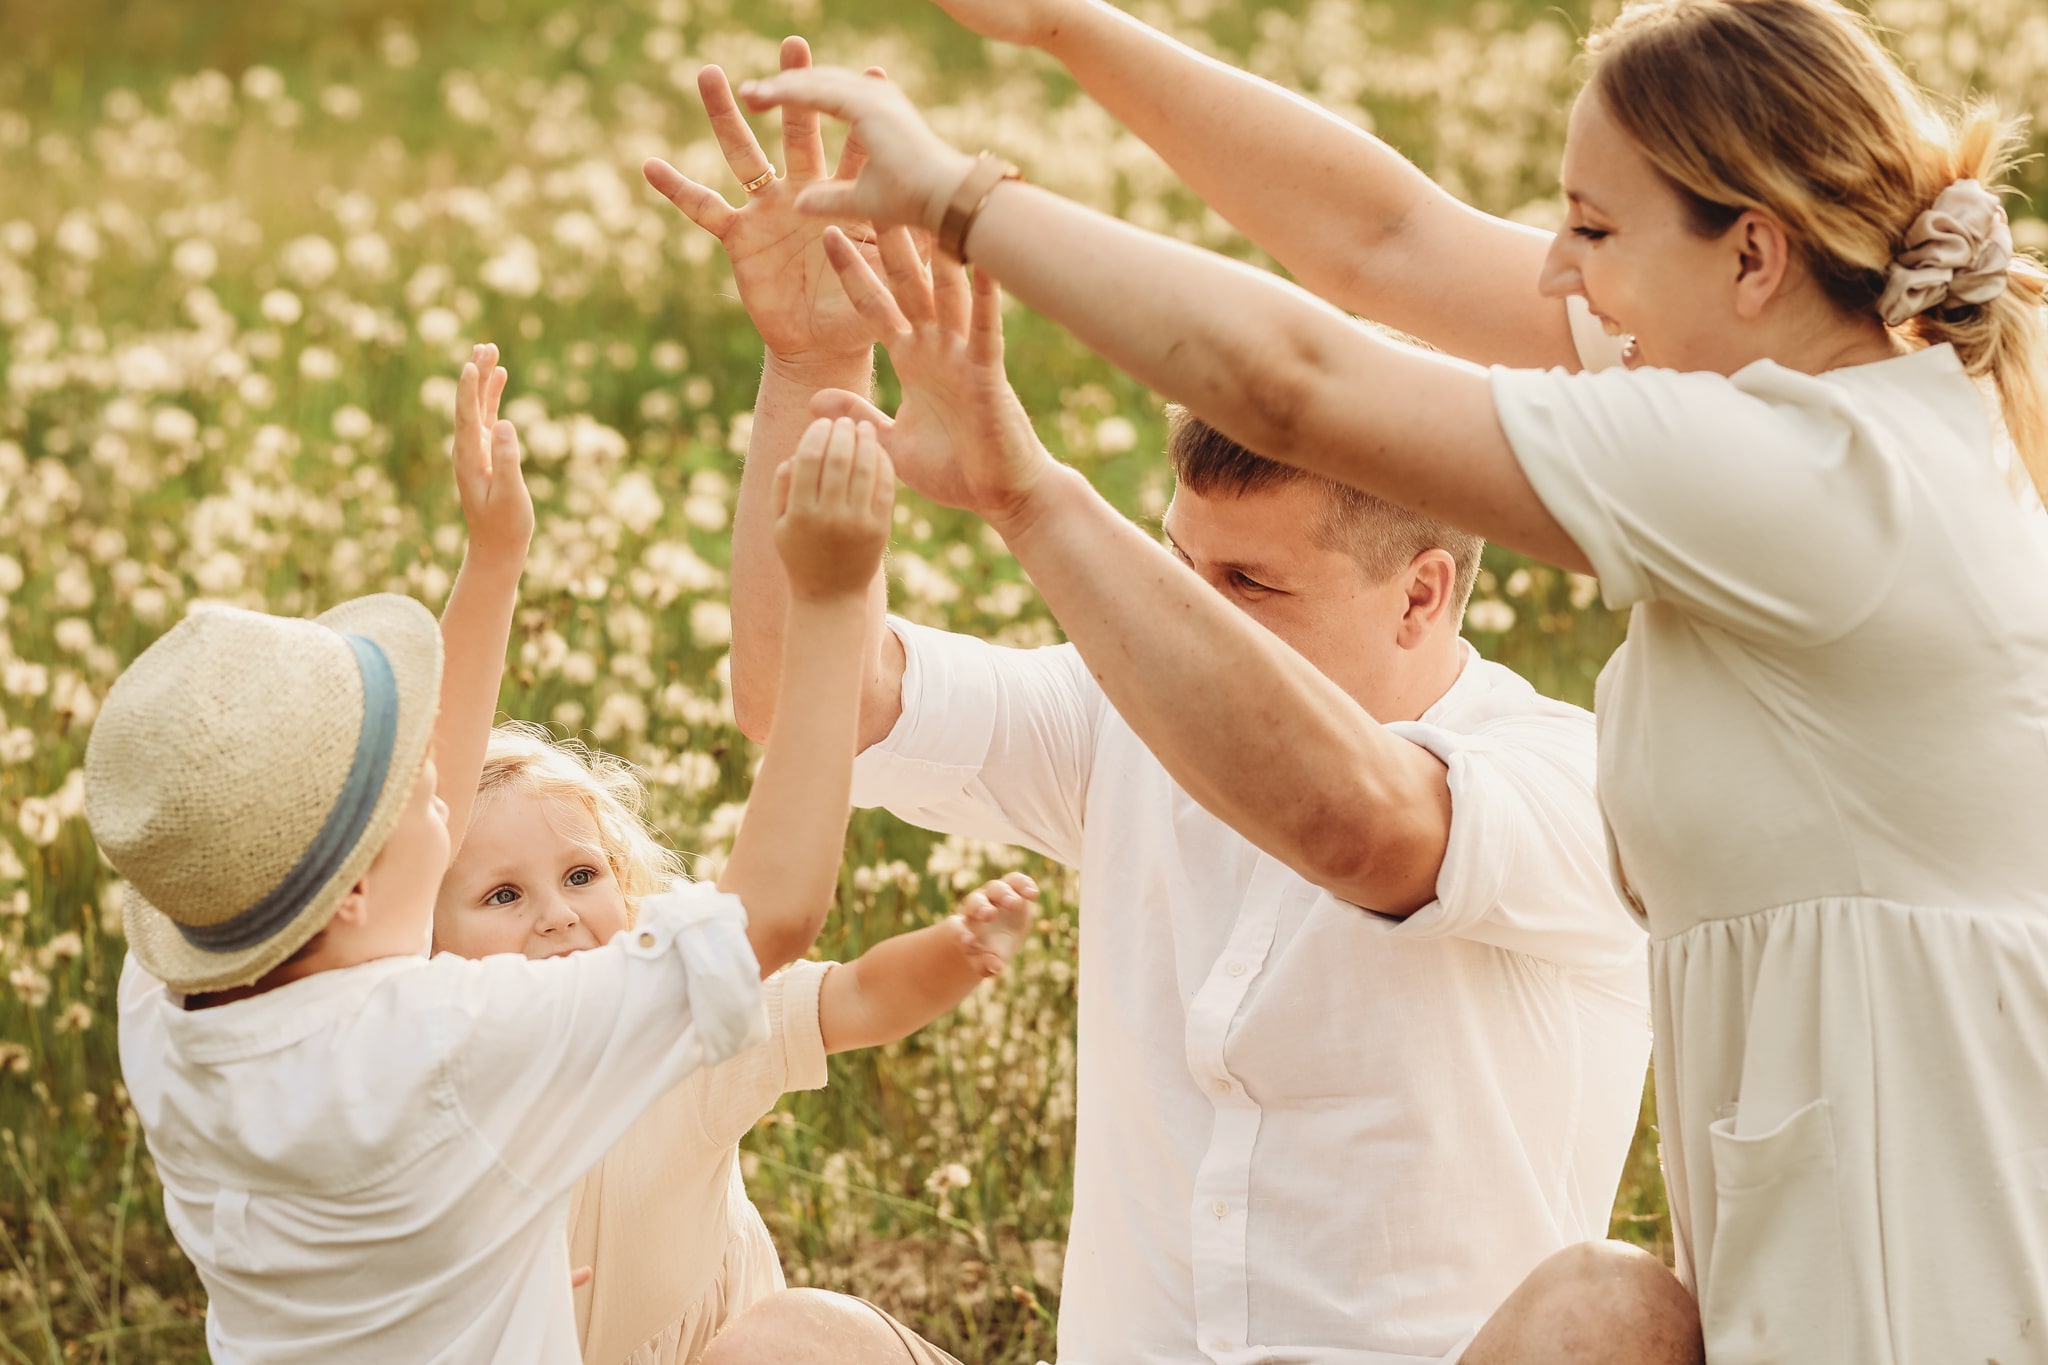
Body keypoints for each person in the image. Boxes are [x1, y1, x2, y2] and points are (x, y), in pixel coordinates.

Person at [734, 0, 2048, 1360]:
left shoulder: (1807, 476)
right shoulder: (1830, 417)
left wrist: (960, 203)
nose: (1555, 278)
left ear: (1754, 255)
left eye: (1593, 230)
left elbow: (1292, 381)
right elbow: (1386, 243)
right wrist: (1070, 29)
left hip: (1917, 1254)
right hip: (1845, 1227)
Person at [645, 47, 1655, 1364]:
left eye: (1253, 584)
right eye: (1183, 568)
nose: (1190, 615)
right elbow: (801, 696)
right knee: (793, 1344)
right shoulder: (1118, 711)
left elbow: (1365, 829)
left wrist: (1025, 490)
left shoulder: (1570, 779)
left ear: (1424, 596)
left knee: (1611, 1304)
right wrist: (814, 369)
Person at [92, 347, 895, 1361]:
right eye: (412, 792)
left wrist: (495, 558)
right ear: (351, 895)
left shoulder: (168, 1006)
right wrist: (828, 601)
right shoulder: (451, 1047)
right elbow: (767, 914)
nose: (439, 778)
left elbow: (412, 812)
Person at [430, 717, 1036, 1365]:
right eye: (504, 894)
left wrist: (957, 949)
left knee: (801, 1331)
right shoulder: (411, 1089)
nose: (559, 914)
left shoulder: (674, 1023)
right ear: (425, 940)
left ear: (627, 887)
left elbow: (856, 997)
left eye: (581, 875)